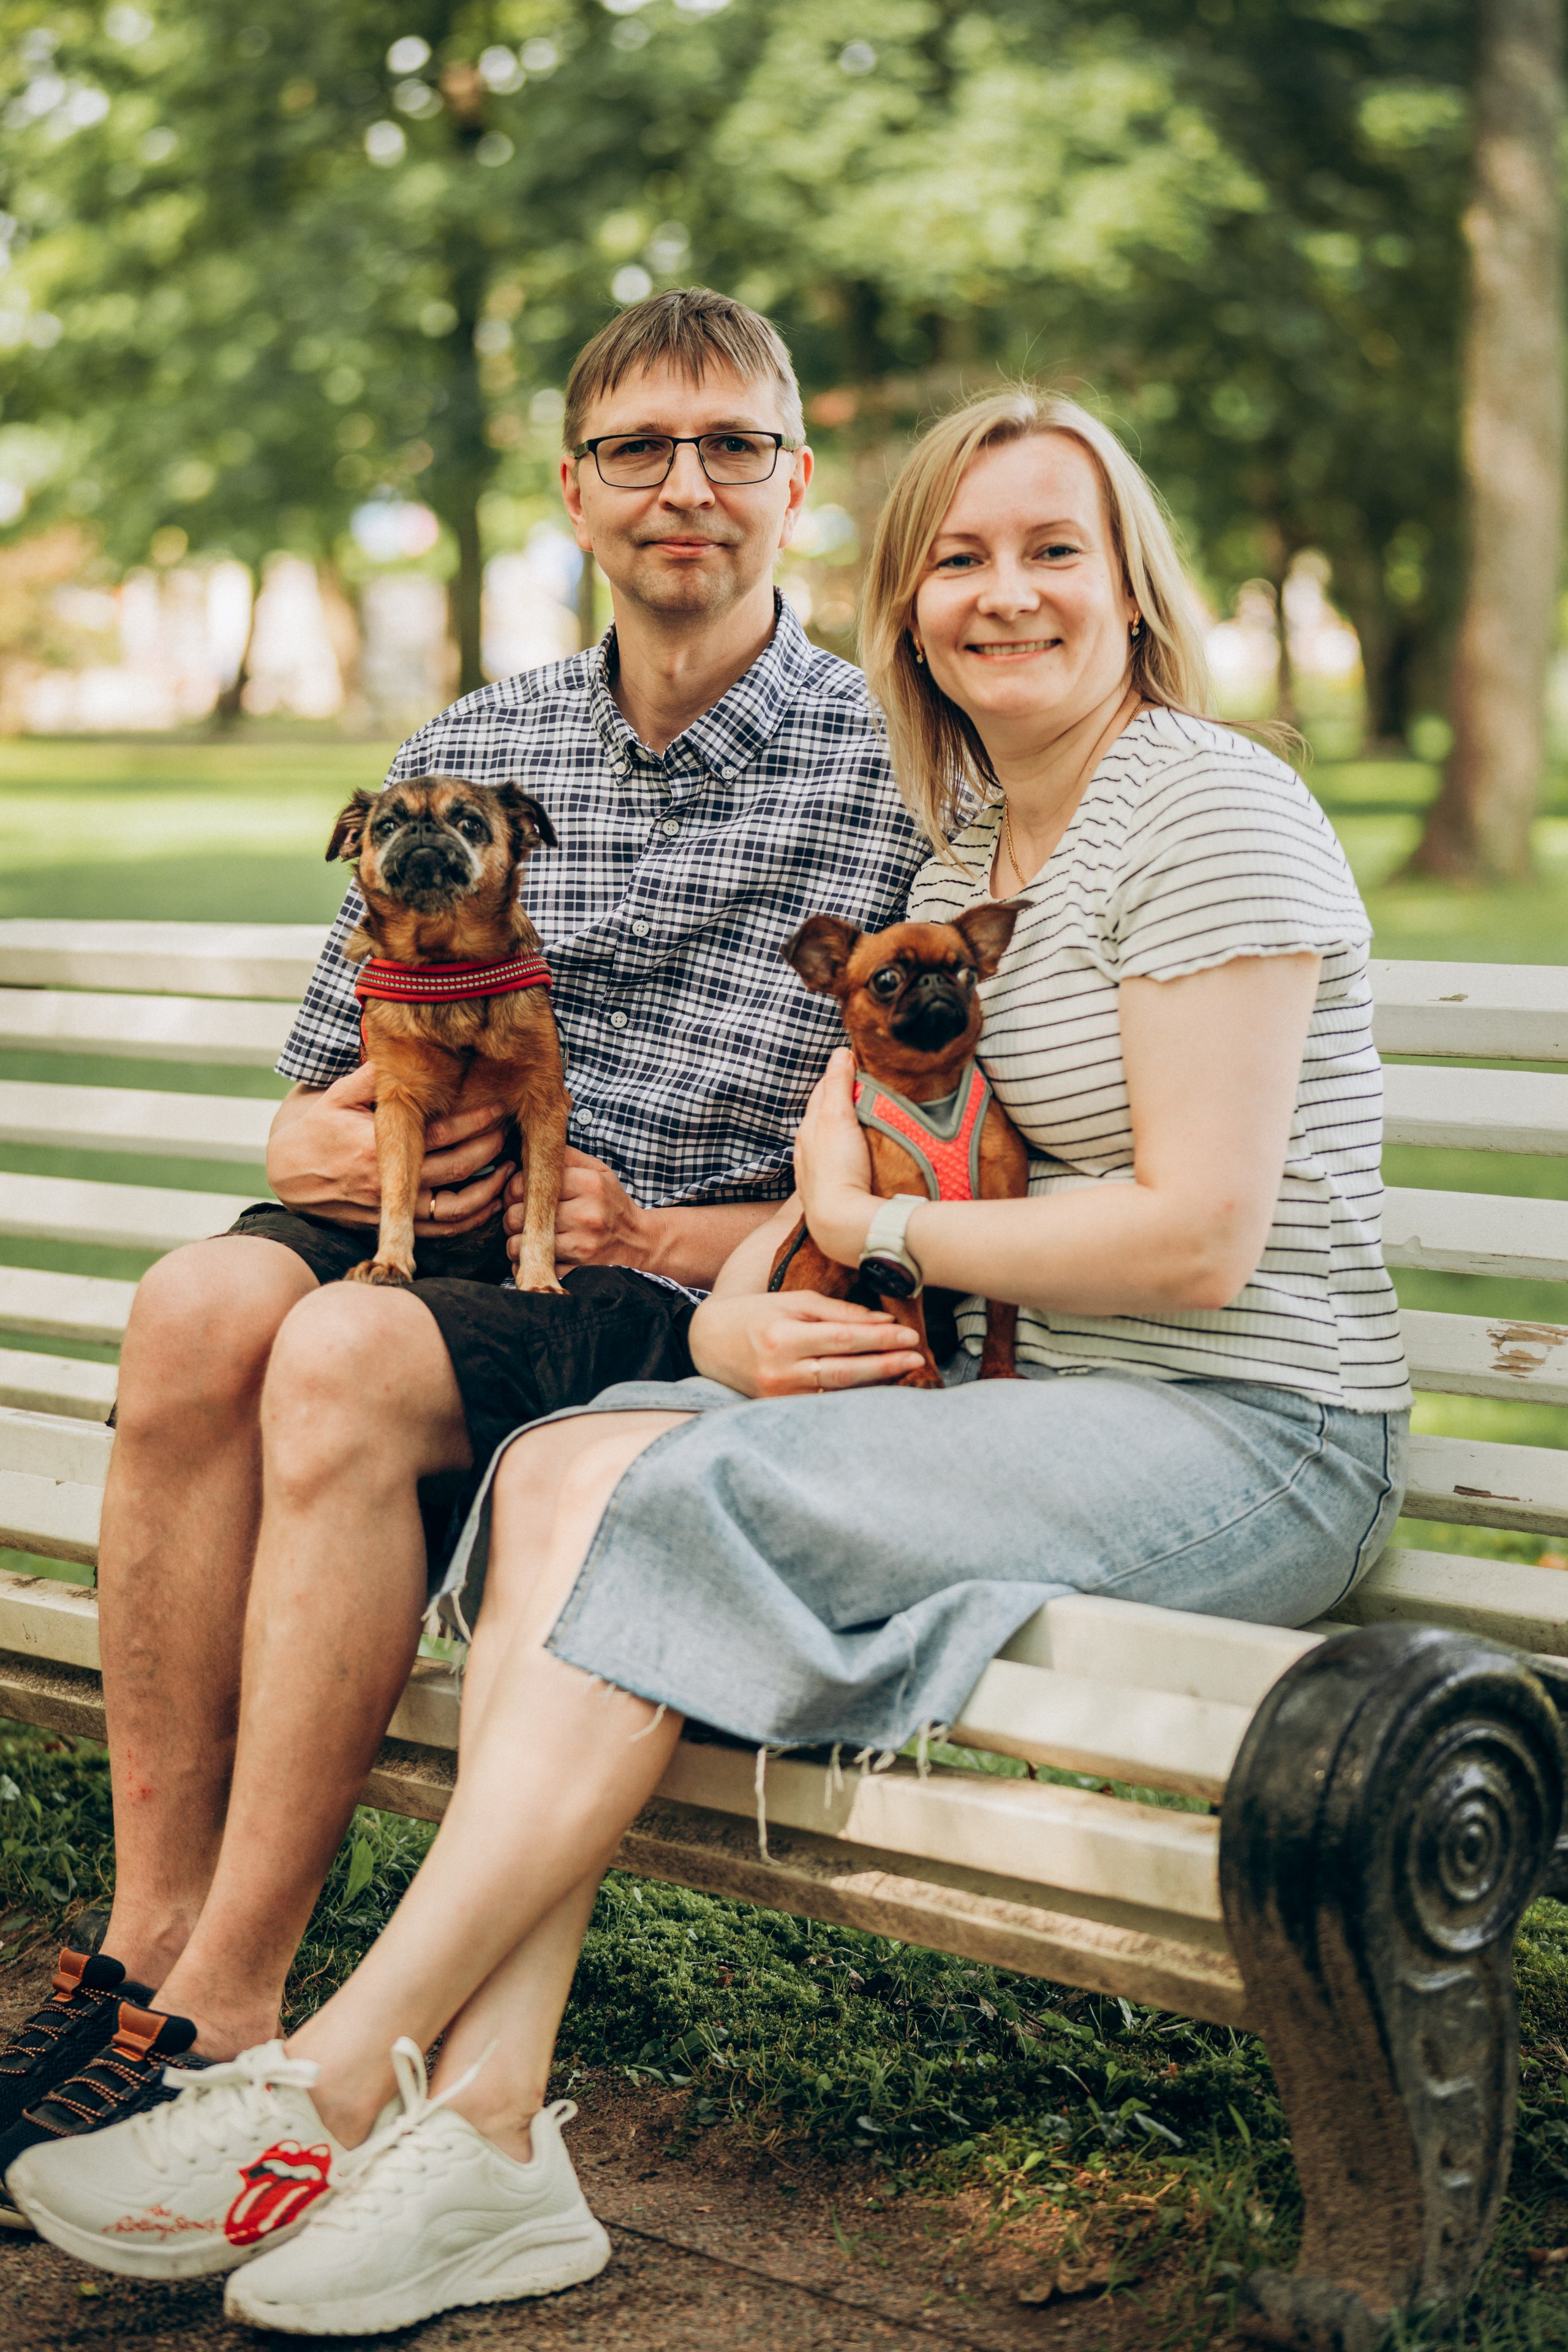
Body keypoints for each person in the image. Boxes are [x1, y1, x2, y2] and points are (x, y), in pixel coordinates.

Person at [6, 388, 1411, 2335]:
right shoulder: (987, 819)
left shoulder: (1211, 805)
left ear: (1133, 578)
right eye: (962, 557)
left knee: (651, 1480)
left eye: (1052, 550)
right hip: (1034, 1393)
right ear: (908, 595)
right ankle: (492, 2140)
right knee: (574, 1466)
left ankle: (334, 2075)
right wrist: (755, 1284)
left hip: (1254, 1427)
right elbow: (866, 1113)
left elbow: (1199, 1242)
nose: (1004, 596)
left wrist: (854, 1239)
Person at [0, 289, 925, 2177]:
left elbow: (908, 1164)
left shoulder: (889, 761)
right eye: (638, 452)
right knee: (195, 1308)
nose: (688, 487)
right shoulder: (484, 734)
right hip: (415, 1201)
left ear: (797, 482)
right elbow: (303, 1078)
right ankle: (141, 1937)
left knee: (340, 1353)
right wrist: (315, 1155)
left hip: (647, 1277)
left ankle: (235, 2002)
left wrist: (662, 1225)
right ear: (575, 492)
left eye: (731, 445)